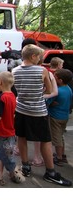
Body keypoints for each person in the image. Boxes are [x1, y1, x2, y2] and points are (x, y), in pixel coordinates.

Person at [12, 44, 71, 186]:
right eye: (39, 56)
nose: (40, 59)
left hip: (20, 110)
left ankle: (25, 166)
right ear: (33, 56)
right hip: (38, 112)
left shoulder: (14, 70)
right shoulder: (42, 71)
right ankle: (50, 172)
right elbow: (49, 91)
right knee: (45, 140)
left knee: (22, 137)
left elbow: (17, 90)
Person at [47, 68, 73, 166]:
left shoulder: (57, 91)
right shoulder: (68, 89)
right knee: (61, 136)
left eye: (55, 77)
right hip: (64, 116)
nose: (53, 78)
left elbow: (48, 101)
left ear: (60, 80)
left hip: (55, 117)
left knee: (56, 138)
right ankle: (62, 154)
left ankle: (58, 157)